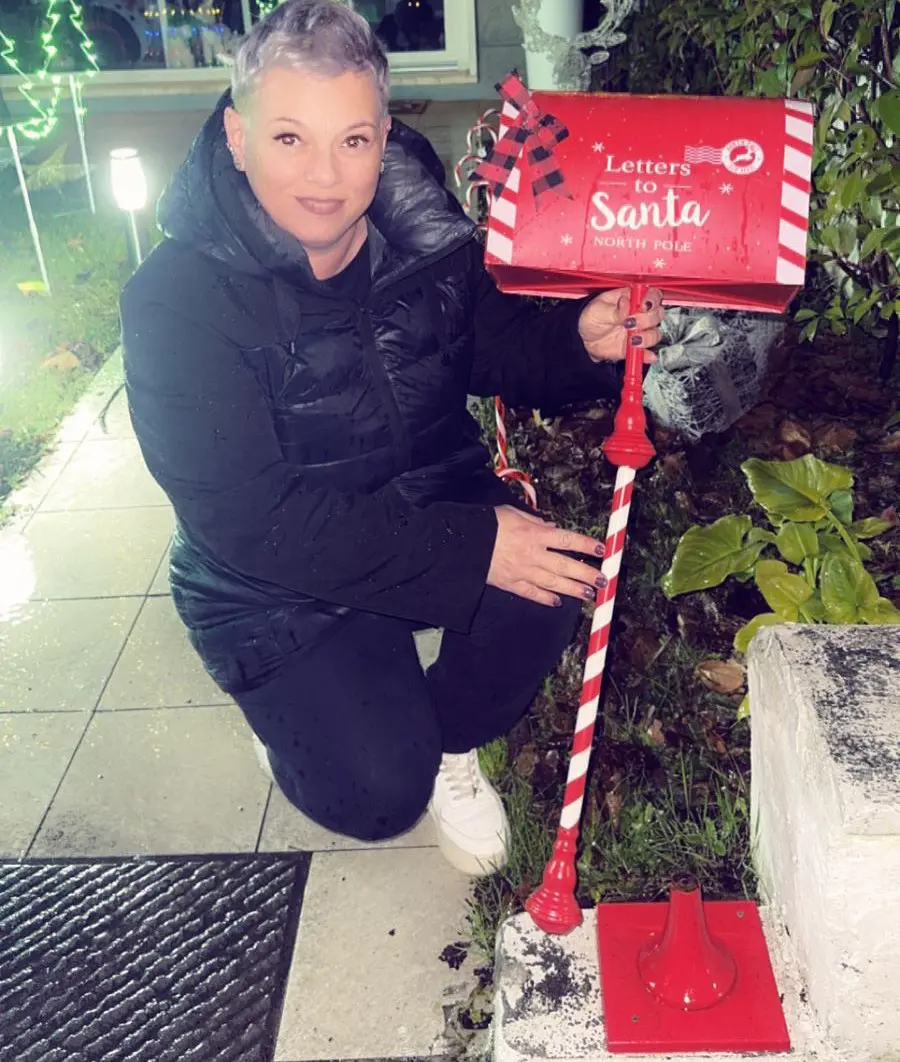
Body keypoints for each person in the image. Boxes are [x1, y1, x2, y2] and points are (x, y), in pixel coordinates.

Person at [120, 0, 663, 876]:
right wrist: (472, 546)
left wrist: (579, 340)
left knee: (551, 586)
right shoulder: (173, 301)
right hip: (268, 575)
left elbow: (480, 335)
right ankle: (303, 727)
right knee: (375, 792)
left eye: (354, 140)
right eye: (290, 138)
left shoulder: (413, 216)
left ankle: (449, 739)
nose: (326, 177)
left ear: (384, 135)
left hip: (420, 486)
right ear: (235, 134)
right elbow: (254, 521)